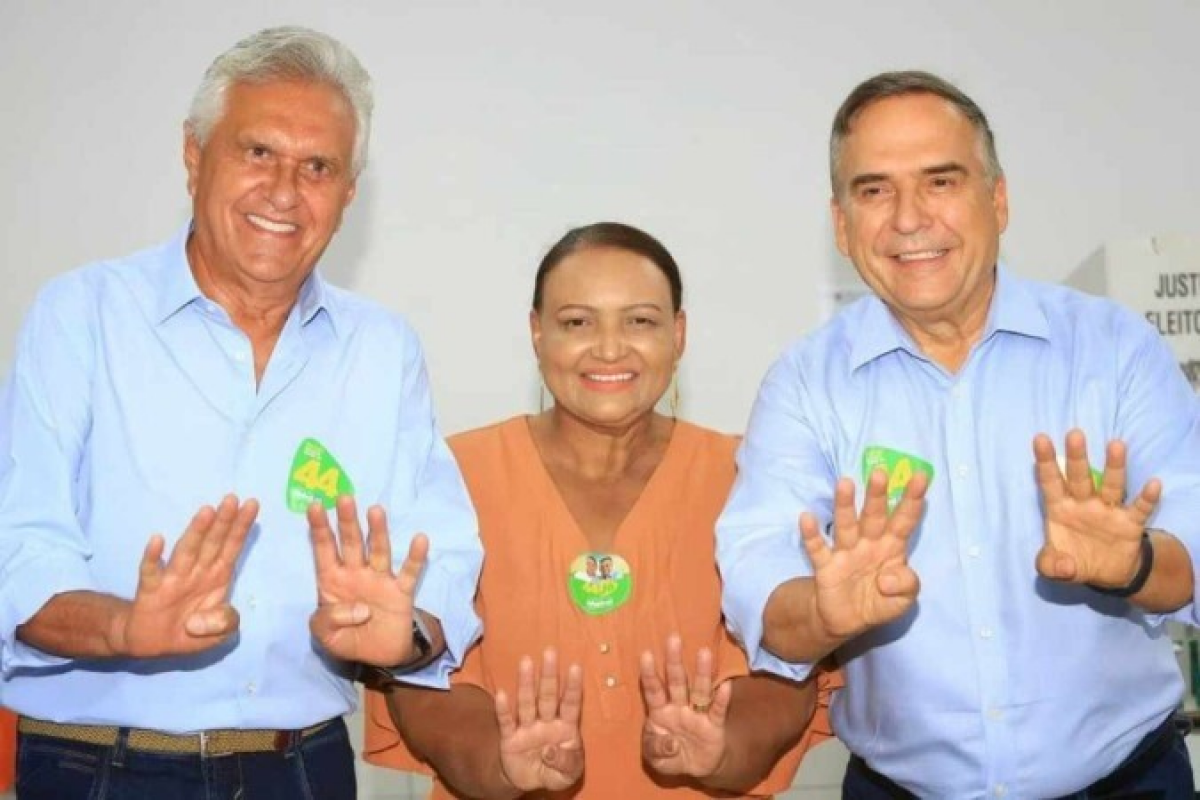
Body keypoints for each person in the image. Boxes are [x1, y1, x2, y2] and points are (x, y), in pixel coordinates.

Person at [0, 26, 481, 799]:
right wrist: (125, 626)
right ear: (194, 156)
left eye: (318, 167)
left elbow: (444, 552)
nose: (285, 191)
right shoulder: (82, 315)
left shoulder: (382, 348)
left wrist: (410, 637)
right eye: (258, 152)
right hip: (100, 769)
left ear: (348, 195)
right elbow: (18, 549)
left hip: (303, 767)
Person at [716, 69, 1200, 798]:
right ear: (842, 225)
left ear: (997, 200)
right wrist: (820, 611)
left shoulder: (1114, 349)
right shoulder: (804, 385)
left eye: (940, 181)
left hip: (1129, 782)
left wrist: (1134, 563)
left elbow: (1195, 542)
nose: (909, 218)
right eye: (874, 190)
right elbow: (758, 578)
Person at [363, 222, 838, 798]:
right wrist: (499, 764)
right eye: (577, 322)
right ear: (537, 333)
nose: (610, 349)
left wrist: (724, 749)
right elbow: (420, 679)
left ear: (679, 334)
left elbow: (787, 666)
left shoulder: (749, 476)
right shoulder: (453, 474)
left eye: (640, 321)